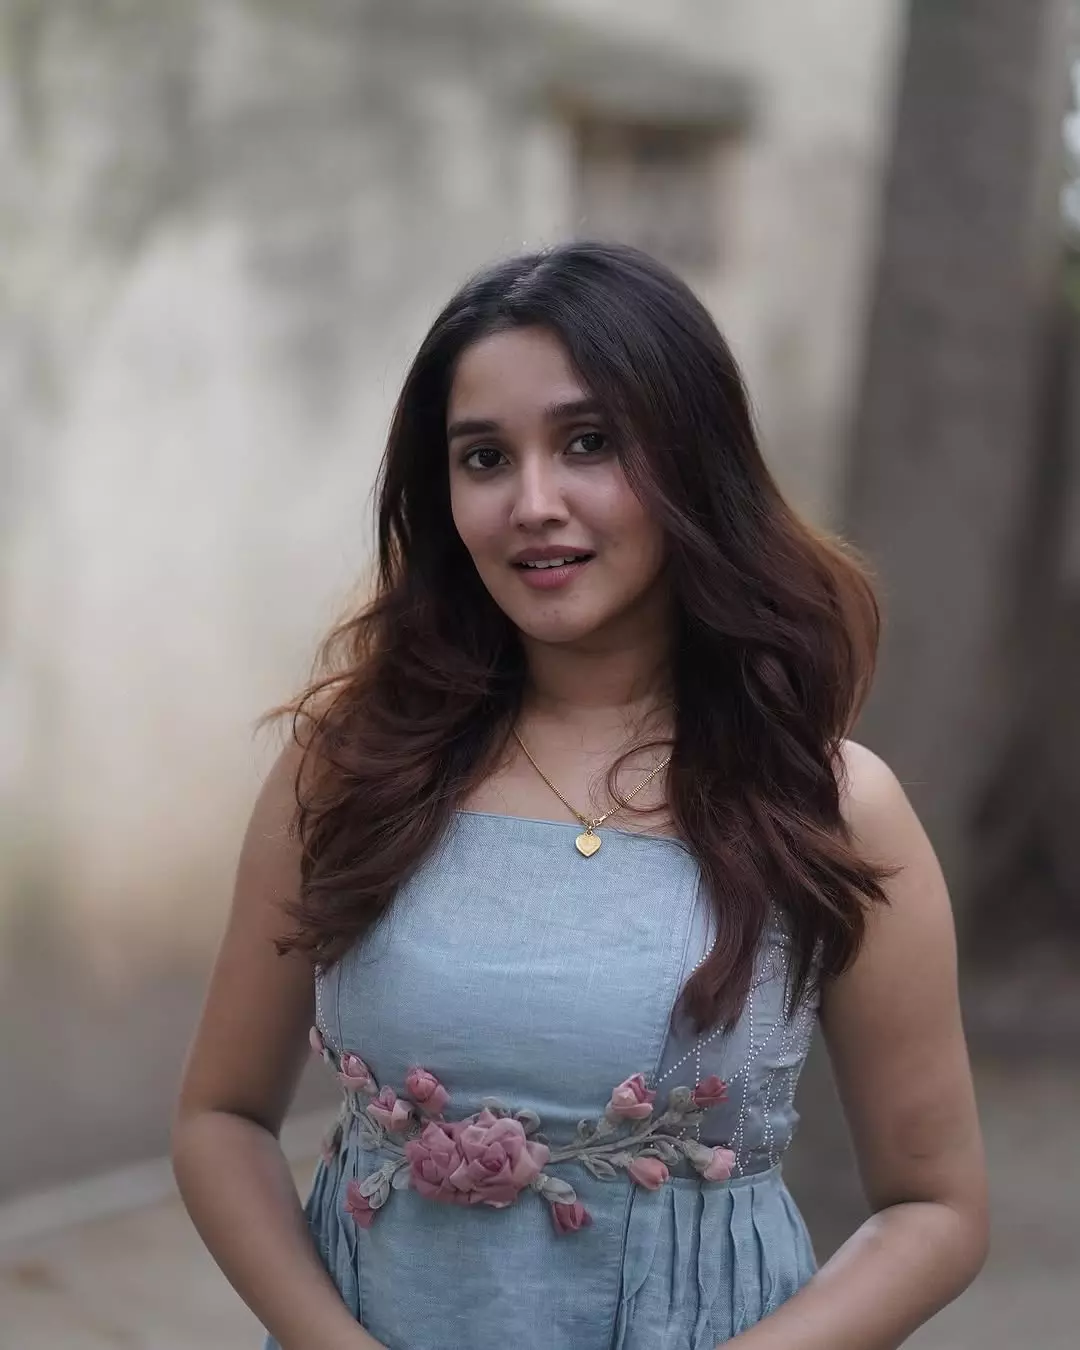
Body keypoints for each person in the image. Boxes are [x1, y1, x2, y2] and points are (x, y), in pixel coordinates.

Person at [172, 241, 988, 1350]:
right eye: (484, 458)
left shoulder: (826, 802)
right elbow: (219, 1119)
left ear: (692, 457)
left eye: (589, 443)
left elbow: (937, 1209)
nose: (534, 503)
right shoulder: (349, 766)